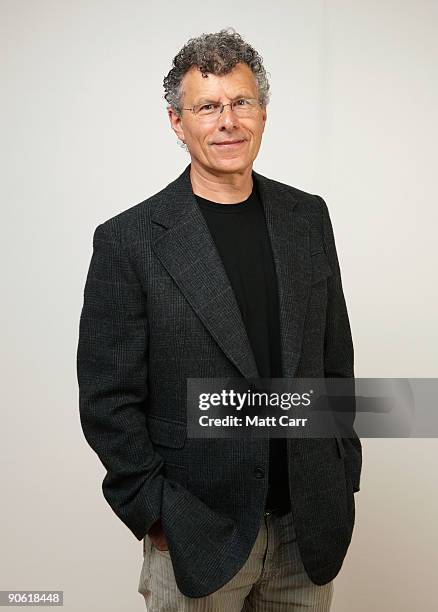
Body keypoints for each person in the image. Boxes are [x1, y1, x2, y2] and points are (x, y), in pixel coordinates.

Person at [77, 28, 362, 611]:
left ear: (262, 113)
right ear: (177, 124)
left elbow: (335, 359)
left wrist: (342, 471)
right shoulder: (129, 240)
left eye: (242, 102)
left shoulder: (307, 218)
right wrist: (154, 511)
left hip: (303, 528)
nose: (228, 121)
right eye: (208, 106)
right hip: (196, 532)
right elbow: (107, 399)